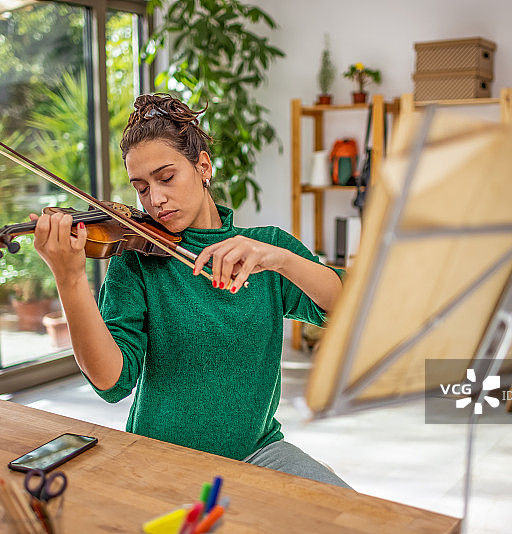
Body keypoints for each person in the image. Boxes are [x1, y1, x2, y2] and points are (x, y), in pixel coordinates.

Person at [30, 93, 351, 489]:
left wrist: (278, 258)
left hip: (258, 451)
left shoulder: (265, 247)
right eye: (142, 188)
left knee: (354, 514)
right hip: (161, 457)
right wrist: (70, 280)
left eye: (166, 178)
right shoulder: (137, 258)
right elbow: (111, 383)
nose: (155, 199)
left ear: (202, 166)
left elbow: (345, 304)